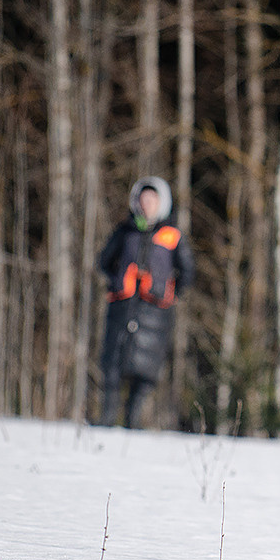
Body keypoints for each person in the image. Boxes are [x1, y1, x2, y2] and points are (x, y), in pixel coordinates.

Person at [97, 176, 195, 428]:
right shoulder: (124, 230)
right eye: (143, 198)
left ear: (162, 203)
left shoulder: (172, 236)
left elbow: (187, 271)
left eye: (153, 199)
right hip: (122, 307)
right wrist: (117, 281)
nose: (147, 203)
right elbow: (103, 262)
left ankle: (133, 425)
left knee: (145, 373)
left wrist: (170, 292)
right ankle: (106, 422)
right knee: (112, 368)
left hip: (155, 314)